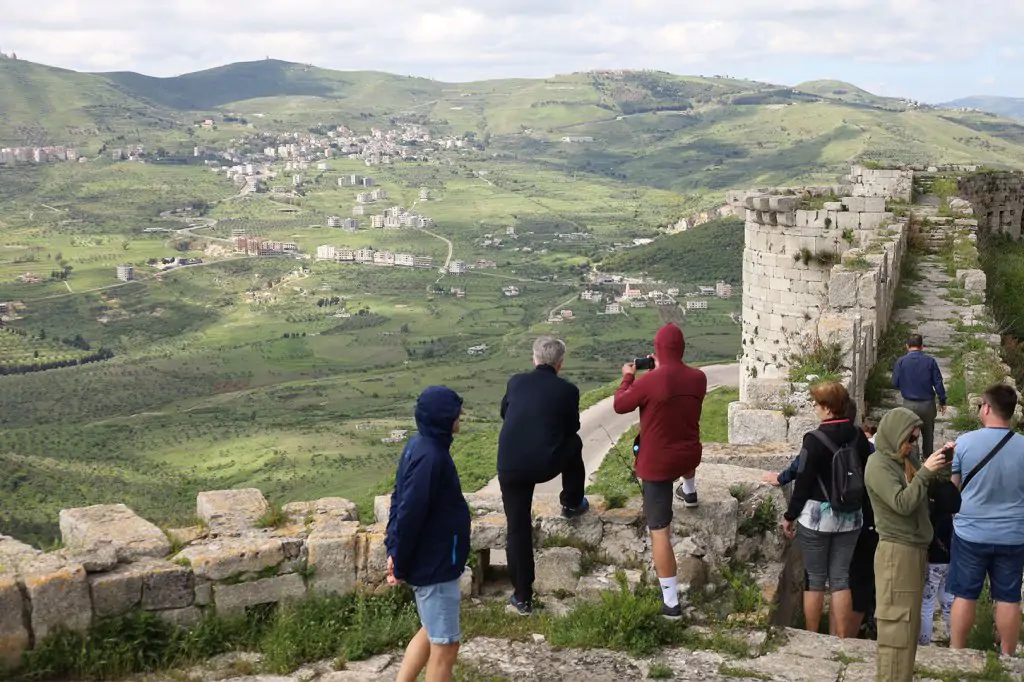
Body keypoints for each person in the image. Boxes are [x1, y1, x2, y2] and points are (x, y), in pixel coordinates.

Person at [613, 323, 706, 619]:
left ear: (655, 352)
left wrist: (628, 377)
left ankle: (670, 602)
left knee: (660, 532)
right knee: (685, 444)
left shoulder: (649, 381)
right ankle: (689, 491)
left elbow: (619, 405)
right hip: (689, 455)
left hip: (657, 464)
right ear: (682, 349)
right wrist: (663, 366)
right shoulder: (699, 378)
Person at [764, 400, 877, 638]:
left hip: (817, 517)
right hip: (851, 517)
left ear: (829, 409)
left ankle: (813, 636)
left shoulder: (814, 438)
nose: (815, 408)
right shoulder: (858, 437)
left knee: (814, 579)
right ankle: (841, 638)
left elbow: (802, 478)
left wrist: (789, 514)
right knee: (840, 579)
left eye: (818, 405)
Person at [385, 386, 471, 682]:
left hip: (429, 560)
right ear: (442, 419)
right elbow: (410, 512)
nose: (461, 416)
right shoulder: (432, 456)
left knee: (430, 630)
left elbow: (399, 498)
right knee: (446, 646)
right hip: (435, 564)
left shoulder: (418, 445)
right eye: (456, 412)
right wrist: (399, 559)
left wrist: (394, 551)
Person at [498, 336, 588, 616]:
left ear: (533, 359)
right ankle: (572, 502)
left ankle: (522, 597)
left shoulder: (515, 382)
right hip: (545, 464)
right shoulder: (568, 390)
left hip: (510, 464)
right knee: (574, 443)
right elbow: (572, 426)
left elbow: (505, 412)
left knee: (517, 527)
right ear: (560, 363)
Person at [865, 406, 951, 682]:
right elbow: (902, 503)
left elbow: (920, 491)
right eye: (910, 438)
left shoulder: (905, 458)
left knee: (909, 626)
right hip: (897, 554)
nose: (913, 444)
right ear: (894, 435)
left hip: (913, 551)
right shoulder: (878, 465)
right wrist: (925, 472)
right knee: (897, 629)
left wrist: (936, 465)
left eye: (916, 438)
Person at [947, 384, 1024, 657]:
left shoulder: (965, 442)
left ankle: (956, 652)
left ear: (987, 408)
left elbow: (953, 490)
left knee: (964, 594)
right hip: (1013, 534)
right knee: (1008, 597)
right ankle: (1008, 656)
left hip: (971, 533)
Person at [919, 474, 961, 646]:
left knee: (927, 604)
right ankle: (955, 637)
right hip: (949, 564)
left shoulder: (933, 519)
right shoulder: (953, 521)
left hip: (933, 565)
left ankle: (924, 640)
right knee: (948, 600)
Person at [891, 334, 947, 457]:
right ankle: (927, 461)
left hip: (908, 405)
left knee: (910, 436)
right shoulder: (930, 361)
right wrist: (942, 401)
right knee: (928, 435)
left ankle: (912, 462)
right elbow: (938, 383)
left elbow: (895, 383)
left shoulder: (901, 361)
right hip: (927, 405)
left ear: (907, 346)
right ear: (922, 347)